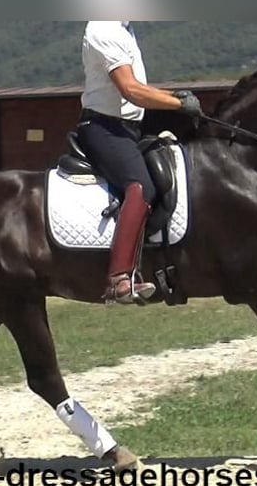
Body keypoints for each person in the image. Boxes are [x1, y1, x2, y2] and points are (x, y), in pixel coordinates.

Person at [76, 21, 203, 305]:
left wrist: (175, 99)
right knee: (140, 188)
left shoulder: (124, 29)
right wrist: (177, 103)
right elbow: (131, 89)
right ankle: (119, 278)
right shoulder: (104, 28)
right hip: (104, 128)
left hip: (129, 127)